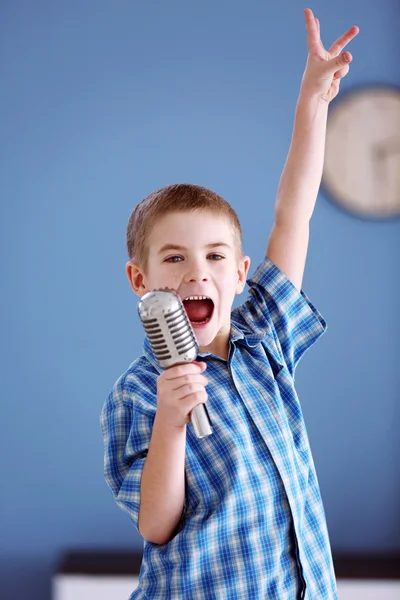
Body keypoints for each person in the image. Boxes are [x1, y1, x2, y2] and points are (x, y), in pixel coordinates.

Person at [100, 8, 359, 599]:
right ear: (140, 280)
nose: (198, 272)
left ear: (242, 274)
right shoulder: (138, 393)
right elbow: (156, 523)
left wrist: (312, 103)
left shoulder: (265, 337)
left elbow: (293, 214)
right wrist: (171, 423)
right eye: (174, 259)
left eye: (216, 257)